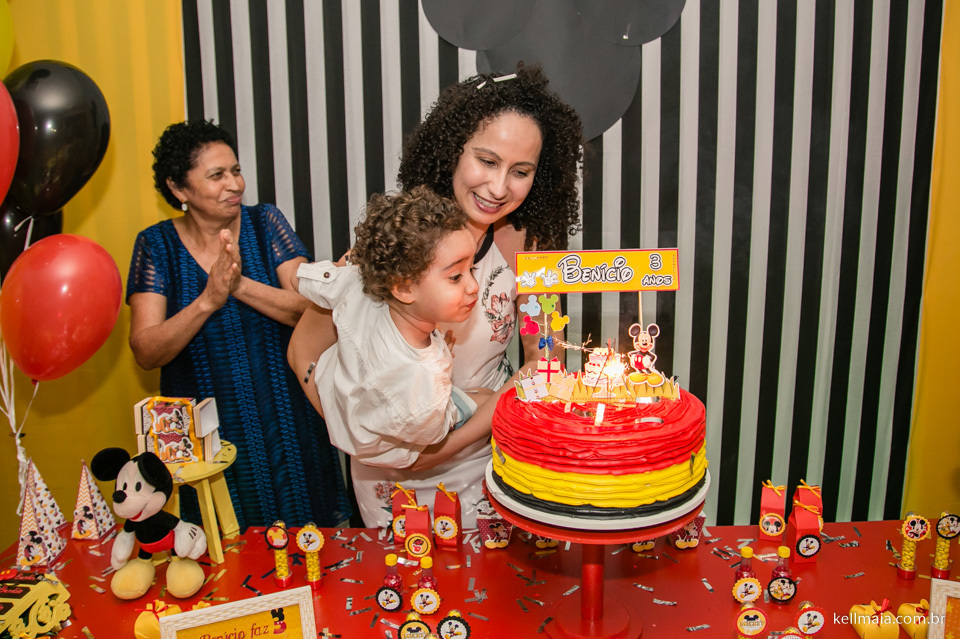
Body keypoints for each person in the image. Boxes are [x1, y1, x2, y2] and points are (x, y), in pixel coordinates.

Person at [289, 63, 584, 527]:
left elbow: (541, 351)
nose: (498, 187)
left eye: (520, 171)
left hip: (490, 453)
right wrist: (366, 426)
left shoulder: (531, 247)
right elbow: (305, 348)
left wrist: (498, 404)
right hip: (394, 478)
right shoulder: (401, 240)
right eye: (486, 161)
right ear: (452, 150)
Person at [127, 120, 351, 529]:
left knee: (310, 538)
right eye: (217, 175)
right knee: (222, 548)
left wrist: (240, 286)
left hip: (287, 417)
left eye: (235, 170)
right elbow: (145, 350)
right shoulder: (155, 245)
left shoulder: (266, 223)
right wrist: (207, 300)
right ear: (178, 189)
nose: (235, 184)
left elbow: (310, 308)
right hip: (204, 436)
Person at [294, 186, 494, 527]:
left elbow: (310, 280)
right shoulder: (424, 390)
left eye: (472, 269)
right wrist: (452, 376)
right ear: (403, 287)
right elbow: (428, 442)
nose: (473, 285)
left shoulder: (358, 281)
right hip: (395, 444)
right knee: (487, 396)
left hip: (341, 393)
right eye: (456, 276)